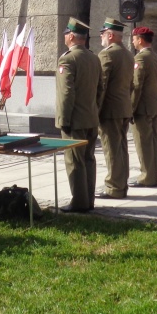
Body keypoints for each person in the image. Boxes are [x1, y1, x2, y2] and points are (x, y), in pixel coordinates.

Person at [55, 18, 102, 212]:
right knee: (89, 160)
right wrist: (93, 110)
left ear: (71, 36)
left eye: (66, 33)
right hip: (91, 118)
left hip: (75, 120)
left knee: (75, 161)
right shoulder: (94, 57)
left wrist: (64, 119)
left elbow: (67, 92)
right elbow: (100, 89)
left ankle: (79, 203)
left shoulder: (67, 59)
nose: (65, 37)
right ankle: (89, 200)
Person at [96, 18, 133, 200]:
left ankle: (114, 188)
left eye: (103, 34)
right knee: (121, 149)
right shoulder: (127, 53)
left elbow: (101, 86)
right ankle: (122, 184)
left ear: (110, 35)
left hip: (110, 110)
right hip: (124, 107)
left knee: (112, 150)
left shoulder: (107, 55)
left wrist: (95, 110)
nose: (101, 37)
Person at [130, 26, 157, 188]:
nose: (133, 41)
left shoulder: (141, 59)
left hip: (143, 108)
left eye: (134, 38)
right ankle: (153, 174)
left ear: (140, 40)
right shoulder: (156, 57)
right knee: (154, 142)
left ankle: (147, 176)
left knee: (143, 143)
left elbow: (137, 86)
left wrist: (130, 108)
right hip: (156, 104)